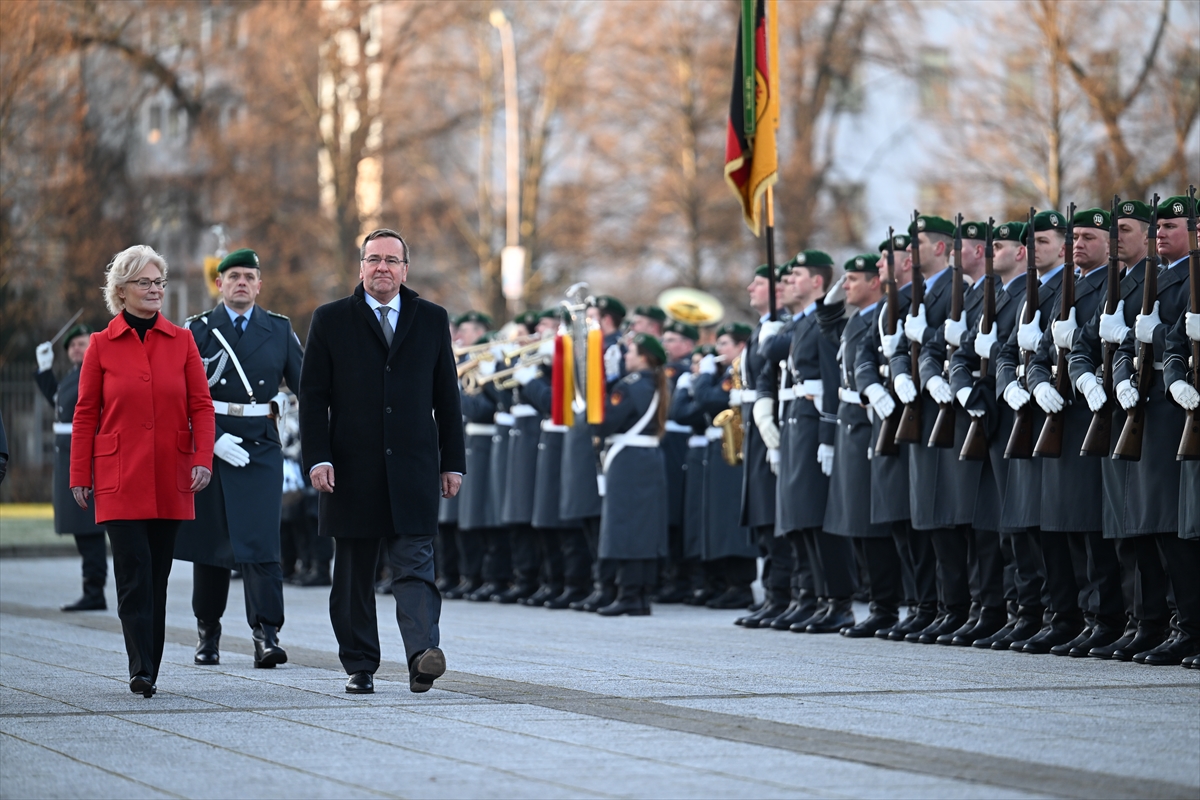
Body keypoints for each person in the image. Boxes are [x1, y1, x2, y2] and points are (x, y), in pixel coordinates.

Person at [299, 228, 465, 695]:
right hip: (350, 471)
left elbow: (446, 397)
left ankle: (421, 656)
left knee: (415, 566)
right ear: (361, 267)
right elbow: (313, 399)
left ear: (405, 269)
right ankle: (359, 664)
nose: (382, 268)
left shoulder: (431, 319)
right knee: (352, 575)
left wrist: (452, 461)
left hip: (412, 468)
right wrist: (317, 458)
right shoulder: (330, 319)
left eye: (392, 260)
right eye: (374, 259)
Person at [69, 245, 215, 698]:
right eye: (145, 283)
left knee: (159, 573)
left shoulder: (183, 341)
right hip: (119, 476)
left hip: (171, 474)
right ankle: (141, 668)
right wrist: (80, 474)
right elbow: (86, 413)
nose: (155, 291)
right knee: (133, 570)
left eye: (159, 283)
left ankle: (148, 661)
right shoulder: (99, 345)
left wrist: (202, 458)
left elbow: (201, 406)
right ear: (122, 290)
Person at [173, 248, 303, 669]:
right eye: (234, 276)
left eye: (249, 276)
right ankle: (207, 633)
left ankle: (266, 634)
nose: (242, 282)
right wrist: (209, 442)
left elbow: (308, 387)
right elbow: (178, 398)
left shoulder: (279, 330)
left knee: (262, 544)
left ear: (260, 284)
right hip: (212, 444)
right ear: (220, 284)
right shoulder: (197, 331)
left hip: (261, 447)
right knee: (211, 545)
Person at [592, 333, 670, 616]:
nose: (626, 356)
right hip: (647, 458)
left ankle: (629, 594)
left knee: (625, 528)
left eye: (631, 352)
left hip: (628, 461)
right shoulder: (655, 382)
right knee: (644, 529)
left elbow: (606, 422)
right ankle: (639, 594)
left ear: (644, 357)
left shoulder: (629, 385)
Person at [35, 324, 109, 611]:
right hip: (68, 454)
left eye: (82, 343)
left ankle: (94, 591)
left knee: (88, 528)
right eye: (72, 345)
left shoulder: (94, 372)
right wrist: (44, 371)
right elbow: (59, 402)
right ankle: (91, 589)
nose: (76, 349)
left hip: (84, 454)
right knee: (81, 528)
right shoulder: (73, 375)